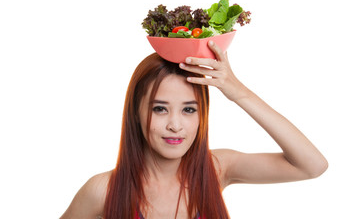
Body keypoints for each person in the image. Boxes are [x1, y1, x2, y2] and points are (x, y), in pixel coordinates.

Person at [60, 41, 328, 219]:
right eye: (159, 109)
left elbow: (312, 165)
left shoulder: (216, 168)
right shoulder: (103, 190)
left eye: (189, 110)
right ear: (135, 113)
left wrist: (239, 93)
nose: (175, 125)